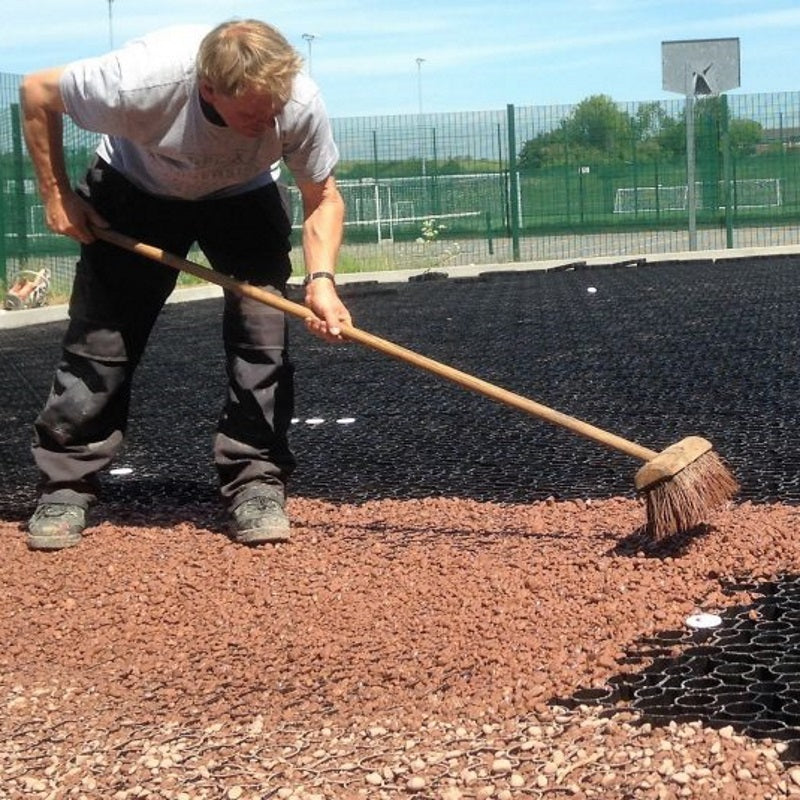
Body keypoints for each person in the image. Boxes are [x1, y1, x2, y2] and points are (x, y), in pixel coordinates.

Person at [18, 18, 352, 551]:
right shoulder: (137, 82)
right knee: (102, 341)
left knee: (262, 336)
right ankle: (65, 484)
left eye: (274, 106)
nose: (267, 119)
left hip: (243, 195)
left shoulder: (297, 102)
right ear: (208, 89)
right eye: (251, 111)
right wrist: (57, 194)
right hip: (135, 188)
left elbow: (322, 197)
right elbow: (36, 91)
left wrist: (323, 282)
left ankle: (257, 482)